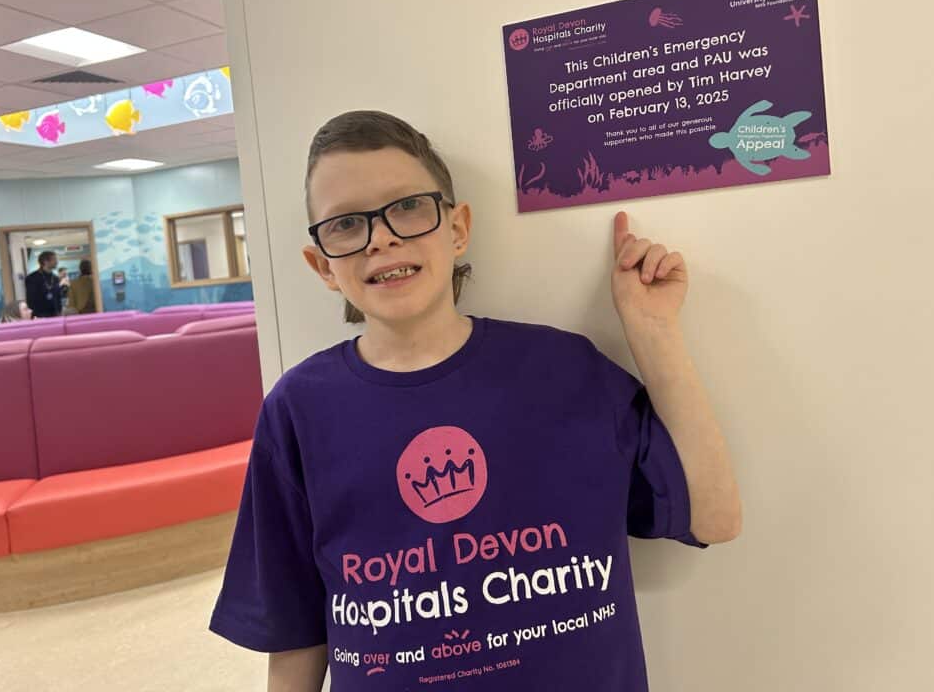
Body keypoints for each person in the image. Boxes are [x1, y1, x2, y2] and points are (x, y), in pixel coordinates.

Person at [209, 111, 742, 691]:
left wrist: (653, 332)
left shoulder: (566, 371)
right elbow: (293, 636)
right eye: (345, 224)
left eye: (407, 206)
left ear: (457, 228)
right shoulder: (298, 411)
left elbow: (714, 516)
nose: (381, 237)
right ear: (321, 266)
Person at [24, 251, 62, 318]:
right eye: (54, 259)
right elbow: (30, 300)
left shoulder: (56, 278)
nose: (57, 262)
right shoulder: (32, 278)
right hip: (39, 316)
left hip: (55, 315)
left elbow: (58, 297)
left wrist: (59, 311)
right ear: (45, 262)